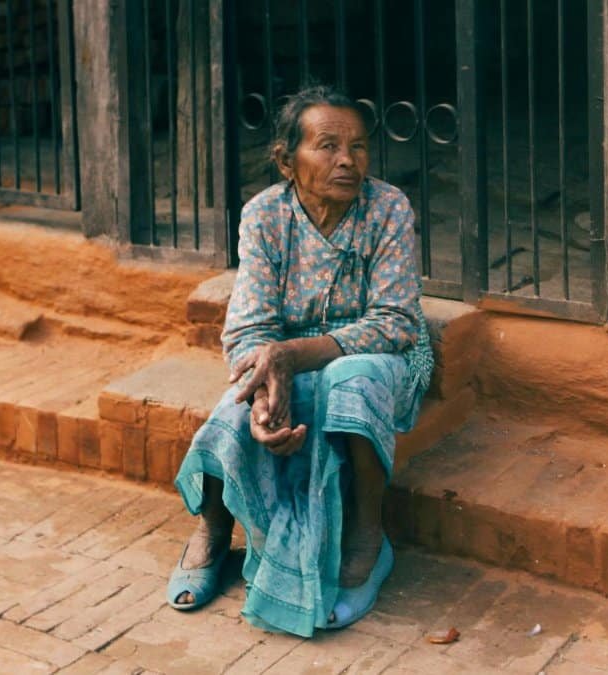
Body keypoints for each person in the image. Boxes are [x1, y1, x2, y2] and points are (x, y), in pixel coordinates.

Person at [165, 84, 432, 637]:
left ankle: (366, 539)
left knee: (350, 385)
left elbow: (395, 322)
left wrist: (290, 356)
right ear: (287, 161)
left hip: (378, 351)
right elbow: (249, 326)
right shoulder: (264, 216)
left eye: (357, 147)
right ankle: (214, 530)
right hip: (285, 354)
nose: (347, 160)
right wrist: (267, 395)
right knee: (236, 404)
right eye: (327, 146)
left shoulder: (387, 208)